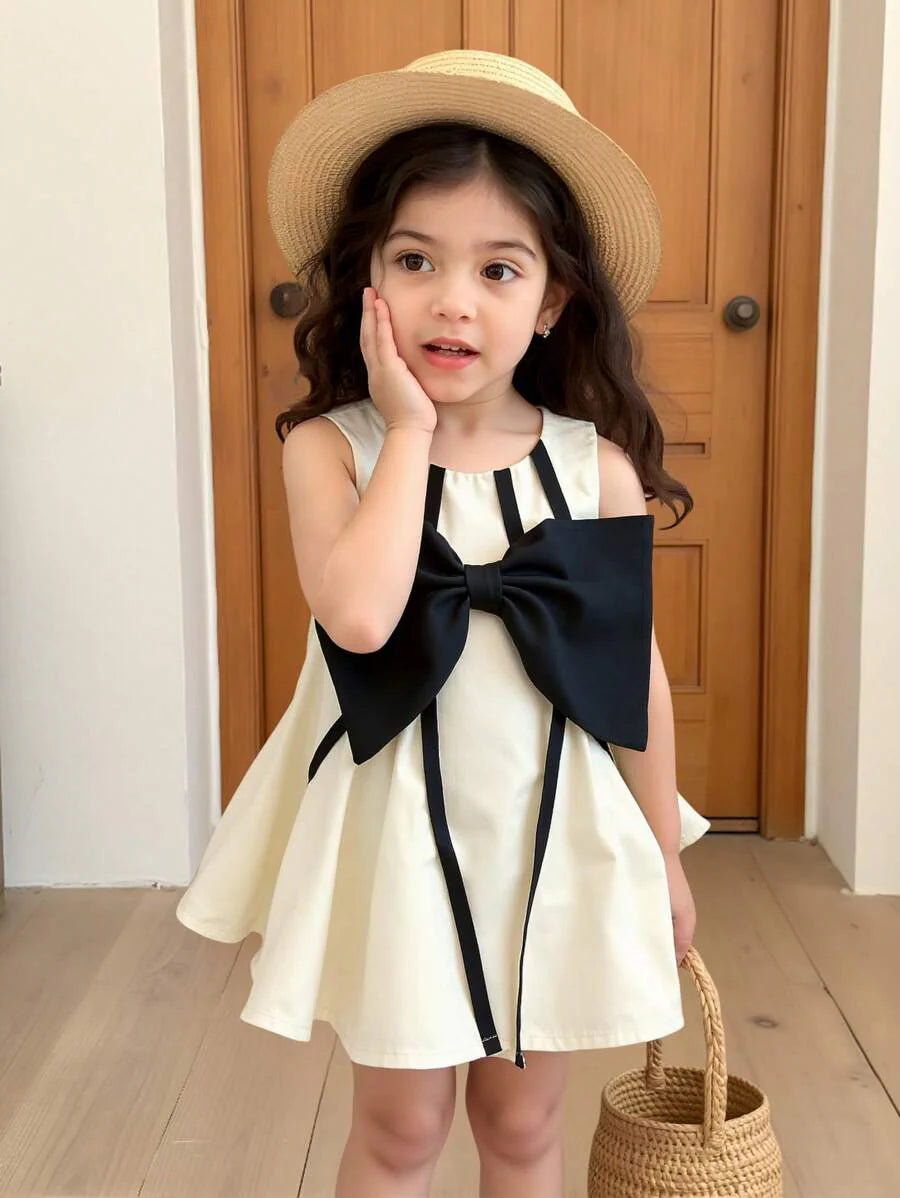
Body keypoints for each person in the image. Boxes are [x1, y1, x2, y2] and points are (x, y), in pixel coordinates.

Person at [176, 49, 711, 1198]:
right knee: (401, 1128)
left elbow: (634, 678)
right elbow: (363, 617)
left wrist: (664, 855)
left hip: (549, 834)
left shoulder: (597, 472)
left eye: (498, 268)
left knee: (523, 1124)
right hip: (400, 845)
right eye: (415, 260)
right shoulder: (333, 449)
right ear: (368, 279)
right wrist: (411, 431)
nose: (453, 300)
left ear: (551, 302)